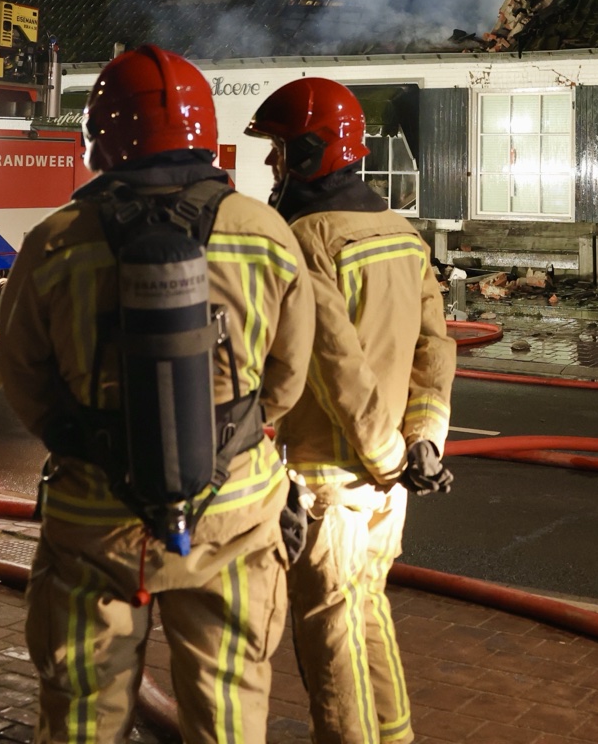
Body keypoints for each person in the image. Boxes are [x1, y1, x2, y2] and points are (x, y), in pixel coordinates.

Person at [0, 46, 318, 744]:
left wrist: (80, 439)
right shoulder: (265, 232)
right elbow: (290, 373)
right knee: (229, 711)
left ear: (99, 142)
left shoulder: (55, 241)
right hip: (232, 514)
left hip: (94, 521)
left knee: (81, 714)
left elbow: (20, 372)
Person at [247, 78, 457, 744]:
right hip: (390, 485)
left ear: (311, 151)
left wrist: (387, 455)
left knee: (327, 638)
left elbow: (337, 367)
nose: (271, 164)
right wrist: (423, 442)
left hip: (329, 485)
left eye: (279, 149)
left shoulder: (305, 238)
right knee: (369, 612)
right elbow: (435, 349)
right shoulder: (401, 233)